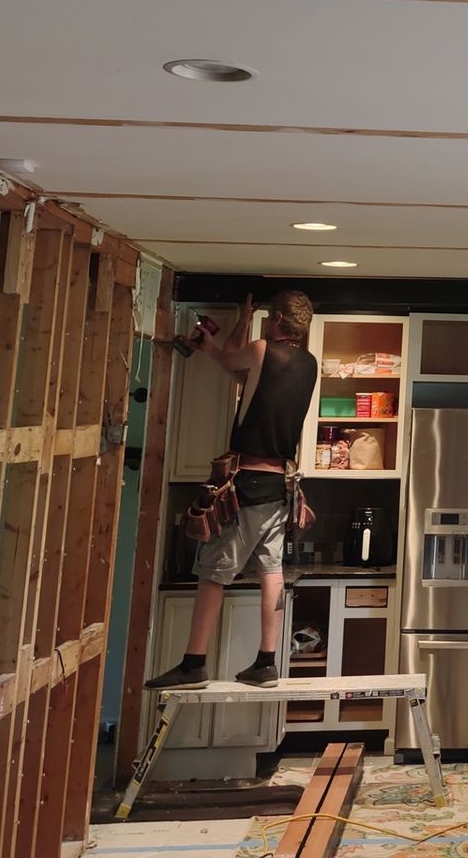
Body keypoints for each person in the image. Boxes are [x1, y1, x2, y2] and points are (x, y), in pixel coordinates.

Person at [147, 290, 318, 689]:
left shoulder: (262, 350)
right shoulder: (308, 365)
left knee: (214, 573)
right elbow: (243, 377)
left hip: (247, 484)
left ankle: (194, 662)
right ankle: (266, 660)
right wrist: (229, 335)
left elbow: (229, 358)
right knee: (272, 571)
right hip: (282, 486)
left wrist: (232, 327)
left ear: (275, 320)